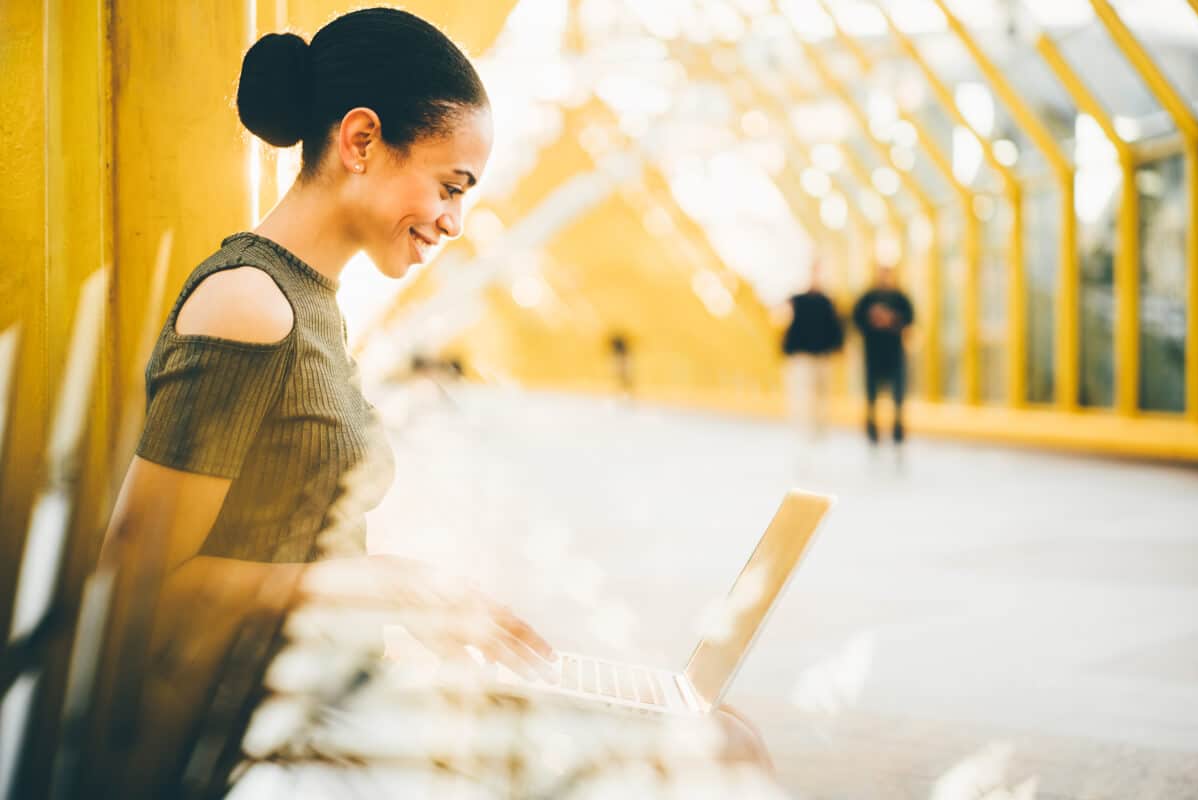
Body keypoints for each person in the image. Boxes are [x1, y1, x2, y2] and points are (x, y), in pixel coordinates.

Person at [94, 8, 769, 793]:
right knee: (716, 752)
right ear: (360, 141)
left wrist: (409, 593)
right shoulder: (250, 303)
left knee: (717, 728)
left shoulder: (308, 302)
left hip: (339, 691)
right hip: (272, 725)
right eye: (451, 186)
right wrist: (378, 583)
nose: (452, 221)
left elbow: (283, 543)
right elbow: (134, 585)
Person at [852, 265, 914, 444]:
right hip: (873, 353)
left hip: (894, 352)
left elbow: (909, 320)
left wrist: (892, 320)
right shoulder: (867, 298)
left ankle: (898, 427)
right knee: (871, 393)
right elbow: (857, 320)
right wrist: (873, 320)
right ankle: (872, 426)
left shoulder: (900, 298)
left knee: (898, 393)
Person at [781, 263, 843, 439]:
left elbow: (835, 328)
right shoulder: (796, 300)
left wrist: (836, 347)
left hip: (822, 355)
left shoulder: (827, 301)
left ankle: (819, 429)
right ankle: (803, 429)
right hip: (802, 355)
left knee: (822, 395)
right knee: (803, 394)